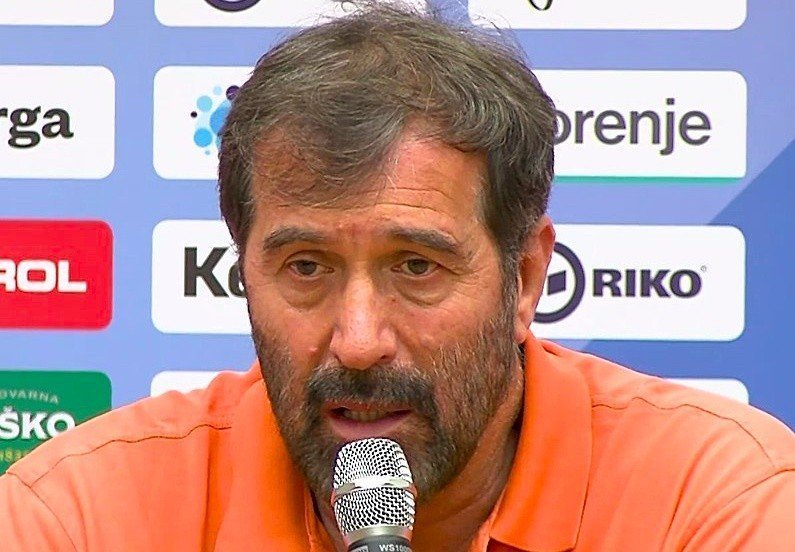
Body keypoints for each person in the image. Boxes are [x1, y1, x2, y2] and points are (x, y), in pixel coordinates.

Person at [1, 3, 793, 551]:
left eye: (415, 267)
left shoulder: (712, 498)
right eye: (305, 267)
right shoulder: (81, 514)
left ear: (523, 278)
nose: (357, 341)